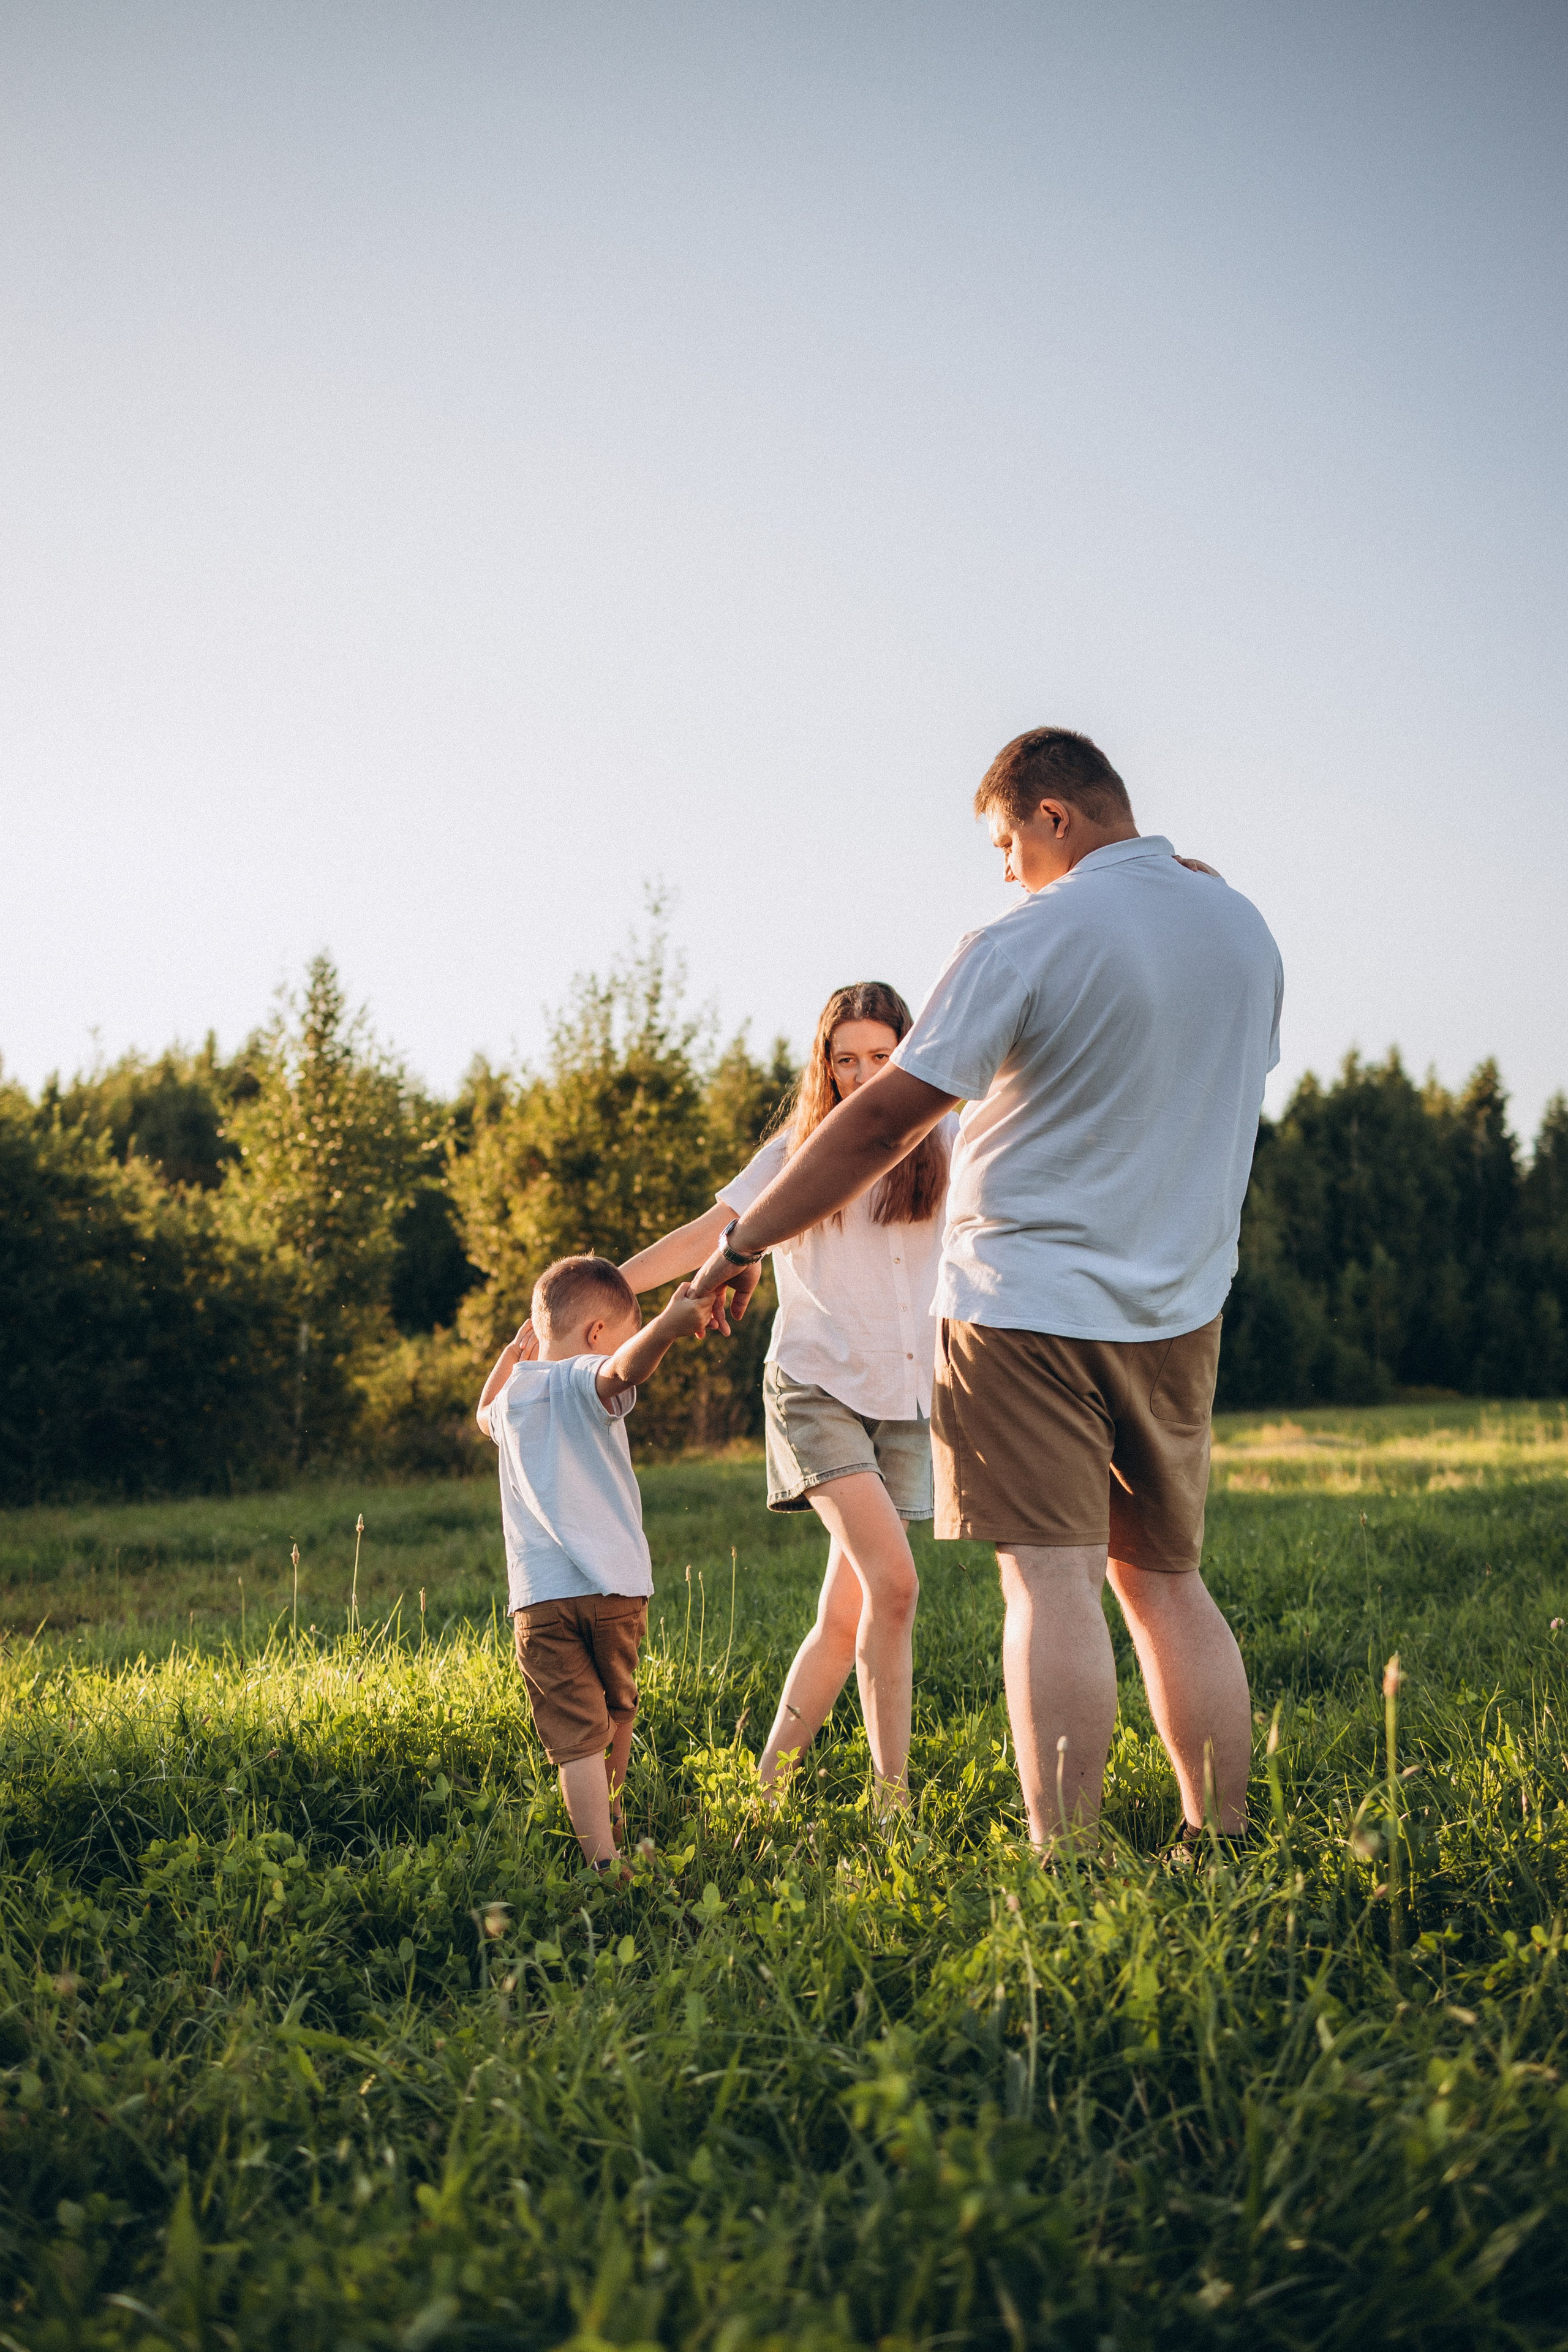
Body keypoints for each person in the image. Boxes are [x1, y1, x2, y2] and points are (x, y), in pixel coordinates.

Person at [687, 728, 1283, 1857]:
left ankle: (1072, 1859)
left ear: (1054, 816)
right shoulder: (1244, 932)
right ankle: (1225, 1839)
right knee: (1166, 1582)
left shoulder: (1027, 938)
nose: (1006, 869)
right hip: (1182, 1307)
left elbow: (876, 1120)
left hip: (1027, 1307)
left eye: (1008, 841)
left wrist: (744, 1240)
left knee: (1053, 1583)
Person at [621, 982, 957, 1808]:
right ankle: (892, 1800)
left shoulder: (954, 1135)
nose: (864, 1075)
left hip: (912, 1401)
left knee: (848, 1610)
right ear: (825, 1066)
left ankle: (766, 1787)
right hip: (817, 1388)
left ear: (910, 1052)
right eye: (845, 1060)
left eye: (881, 1057)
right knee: (898, 1586)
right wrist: (600, 1290)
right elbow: (709, 1239)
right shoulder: (799, 1149)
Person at [476, 1254, 714, 1867]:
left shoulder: (511, 1400)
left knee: (576, 1739)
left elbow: (481, 1415)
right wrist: (665, 1326)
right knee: (617, 1710)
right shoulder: (584, 1374)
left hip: (538, 1599)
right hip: (615, 1589)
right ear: (598, 1334)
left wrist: (509, 1359)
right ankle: (616, 1821)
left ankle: (601, 1860)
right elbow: (618, 1373)